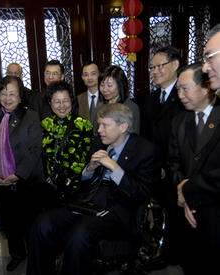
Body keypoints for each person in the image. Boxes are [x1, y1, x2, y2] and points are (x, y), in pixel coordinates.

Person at [27, 103, 161, 275]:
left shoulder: (145, 150)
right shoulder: (99, 143)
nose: (99, 130)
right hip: (88, 202)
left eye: (105, 125)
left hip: (118, 210)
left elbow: (142, 193)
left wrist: (115, 169)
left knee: (78, 235)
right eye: (99, 124)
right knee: (42, 223)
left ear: (123, 127)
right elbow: (82, 184)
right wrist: (89, 169)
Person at [0, 75, 43, 271]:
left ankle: (36, 255)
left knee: (30, 223)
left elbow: (35, 150)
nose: (7, 98)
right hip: (1, 184)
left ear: (20, 95)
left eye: (12, 93)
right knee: (10, 224)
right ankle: (17, 254)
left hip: (26, 182)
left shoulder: (30, 116)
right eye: (4, 93)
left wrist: (18, 174)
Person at [167, 62, 220, 274]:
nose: (179, 95)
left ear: (205, 86)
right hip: (187, 210)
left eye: (184, 88)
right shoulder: (179, 121)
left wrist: (192, 192)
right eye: (178, 89)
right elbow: (172, 163)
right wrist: (183, 192)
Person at [141, 46, 184, 264]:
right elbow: (147, 136)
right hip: (155, 168)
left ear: (175, 65)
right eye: (152, 67)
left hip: (177, 169)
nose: (154, 71)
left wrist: (168, 167)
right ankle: (159, 248)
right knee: (158, 212)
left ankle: (170, 254)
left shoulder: (184, 96)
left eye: (160, 66)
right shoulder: (152, 98)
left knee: (175, 214)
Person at [39, 80, 93, 207]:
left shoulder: (83, 125)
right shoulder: (45, 125)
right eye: (57, 101)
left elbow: (88, 158)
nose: (62, 106)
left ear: (72, 101)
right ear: (50, 103)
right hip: (50, 189)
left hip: (76, 189)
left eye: (66, 101)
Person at [97, 65, 140, 134]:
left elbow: (134, 136)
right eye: (102, 85)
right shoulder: (100, 107)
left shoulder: (131, 107)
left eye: (109, 85)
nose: (105, 89)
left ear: (120, 85)